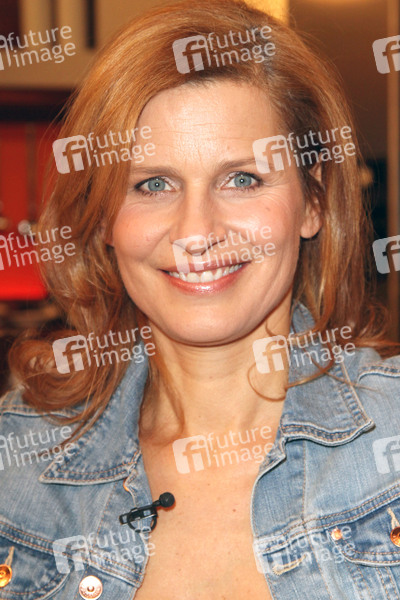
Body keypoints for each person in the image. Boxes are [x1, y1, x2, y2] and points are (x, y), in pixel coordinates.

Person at [1, 0, 399, 598]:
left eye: (242, 179)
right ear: (103, 217)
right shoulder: (17, 463)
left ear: (312, 202)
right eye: (152, 184)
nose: (195, 232)